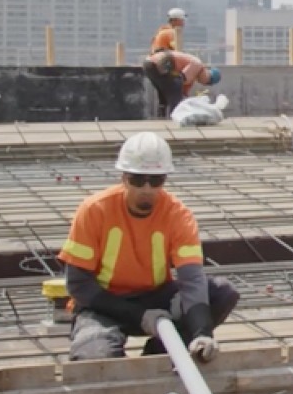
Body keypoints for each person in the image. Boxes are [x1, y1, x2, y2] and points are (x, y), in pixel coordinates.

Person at [58, 132, 236, 362]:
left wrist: (202, 332)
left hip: (156, 299)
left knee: (221, 293)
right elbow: (78, 285)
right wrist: (139, 315)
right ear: (124, 177)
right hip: (104, 304)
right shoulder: (95, 210)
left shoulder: (177, 215)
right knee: (95, 360)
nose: (147, 189)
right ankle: (108, 348)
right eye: (138, 179)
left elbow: (192, 279)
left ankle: (160, 354)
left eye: (156, 181)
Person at [142, 50, 218, 116]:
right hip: (159, 63)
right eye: (208, 81)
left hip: (149, 64)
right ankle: (174, 116)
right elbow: (181, 78)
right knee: (176, 86)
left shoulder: (192, 77)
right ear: (208, 74)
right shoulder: (197, 64)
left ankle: (162, 116)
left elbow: (184, 94)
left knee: (164, 94)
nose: (204, 84)